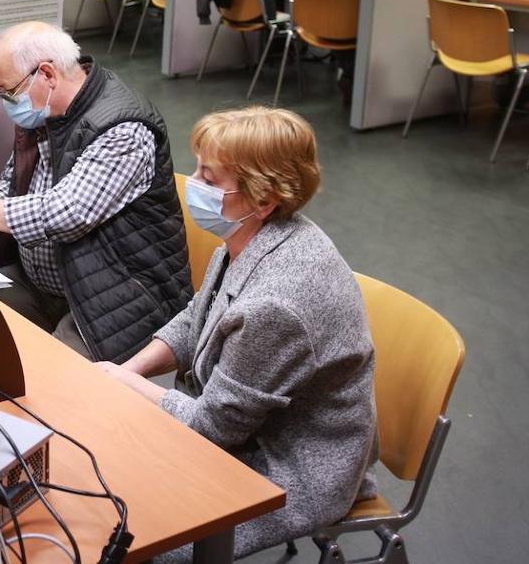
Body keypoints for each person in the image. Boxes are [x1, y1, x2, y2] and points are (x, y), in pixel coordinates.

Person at [98, 106, 378, 562]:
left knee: (132, 534)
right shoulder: (253, 235)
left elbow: (212, 429)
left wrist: (128, 386)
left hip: (290, 467)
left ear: (263, 199)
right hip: (248, 430)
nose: (193, 185)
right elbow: (198, 317)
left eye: (209, 179)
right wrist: (127, 371)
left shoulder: (277, 304)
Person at [0, 22, 192, 362]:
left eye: (8, 92)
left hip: (119, 298)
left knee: (48, 377)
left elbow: (65, 213)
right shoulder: (45, 114)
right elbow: (13, 185)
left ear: (46, 74)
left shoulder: (124, 129)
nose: (6, 102)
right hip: (48, 284)